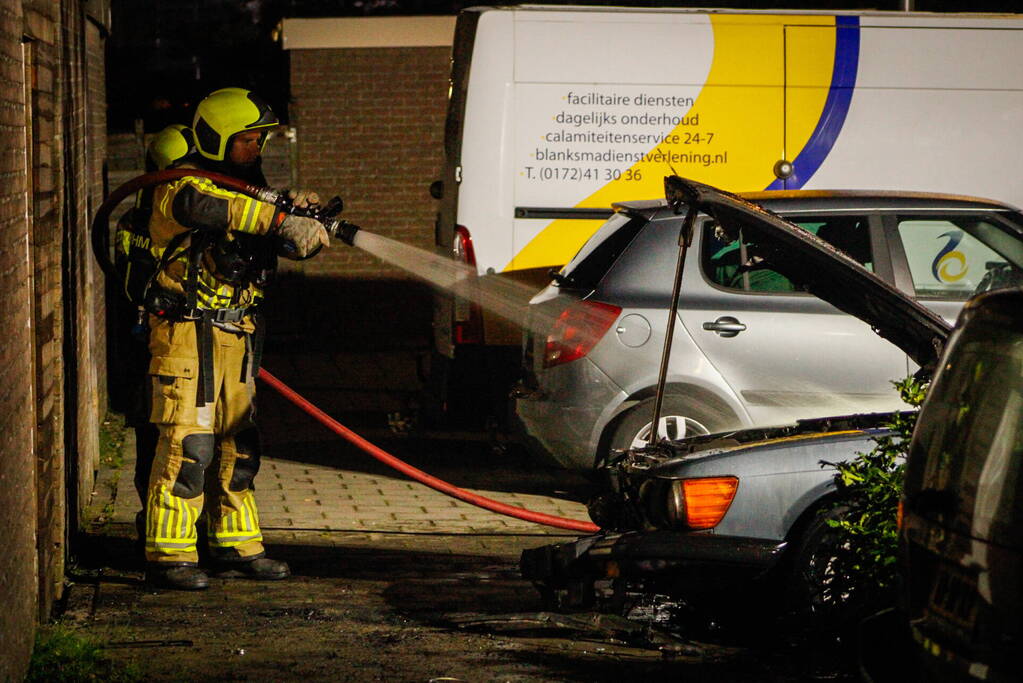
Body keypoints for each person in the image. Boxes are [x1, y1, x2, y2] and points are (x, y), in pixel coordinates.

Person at [142, 88, 328, 590]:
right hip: (186, 333)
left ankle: (236, 545)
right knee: (190, 444)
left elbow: (270, 232)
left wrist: (301, 221)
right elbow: (209, 209)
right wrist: (280, 216)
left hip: (236, 333)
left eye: (260, 140)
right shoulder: (180, 186)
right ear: (216, 137)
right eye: (247, 140)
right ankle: (170, 553)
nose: (256, 150)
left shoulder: (249, 192)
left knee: (239, 446)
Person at [112, 123, 196, 546]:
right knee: (156, 437)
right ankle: (156, 525)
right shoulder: (138, 224)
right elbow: (131, 286)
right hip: (152, 349)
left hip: (199, 350)